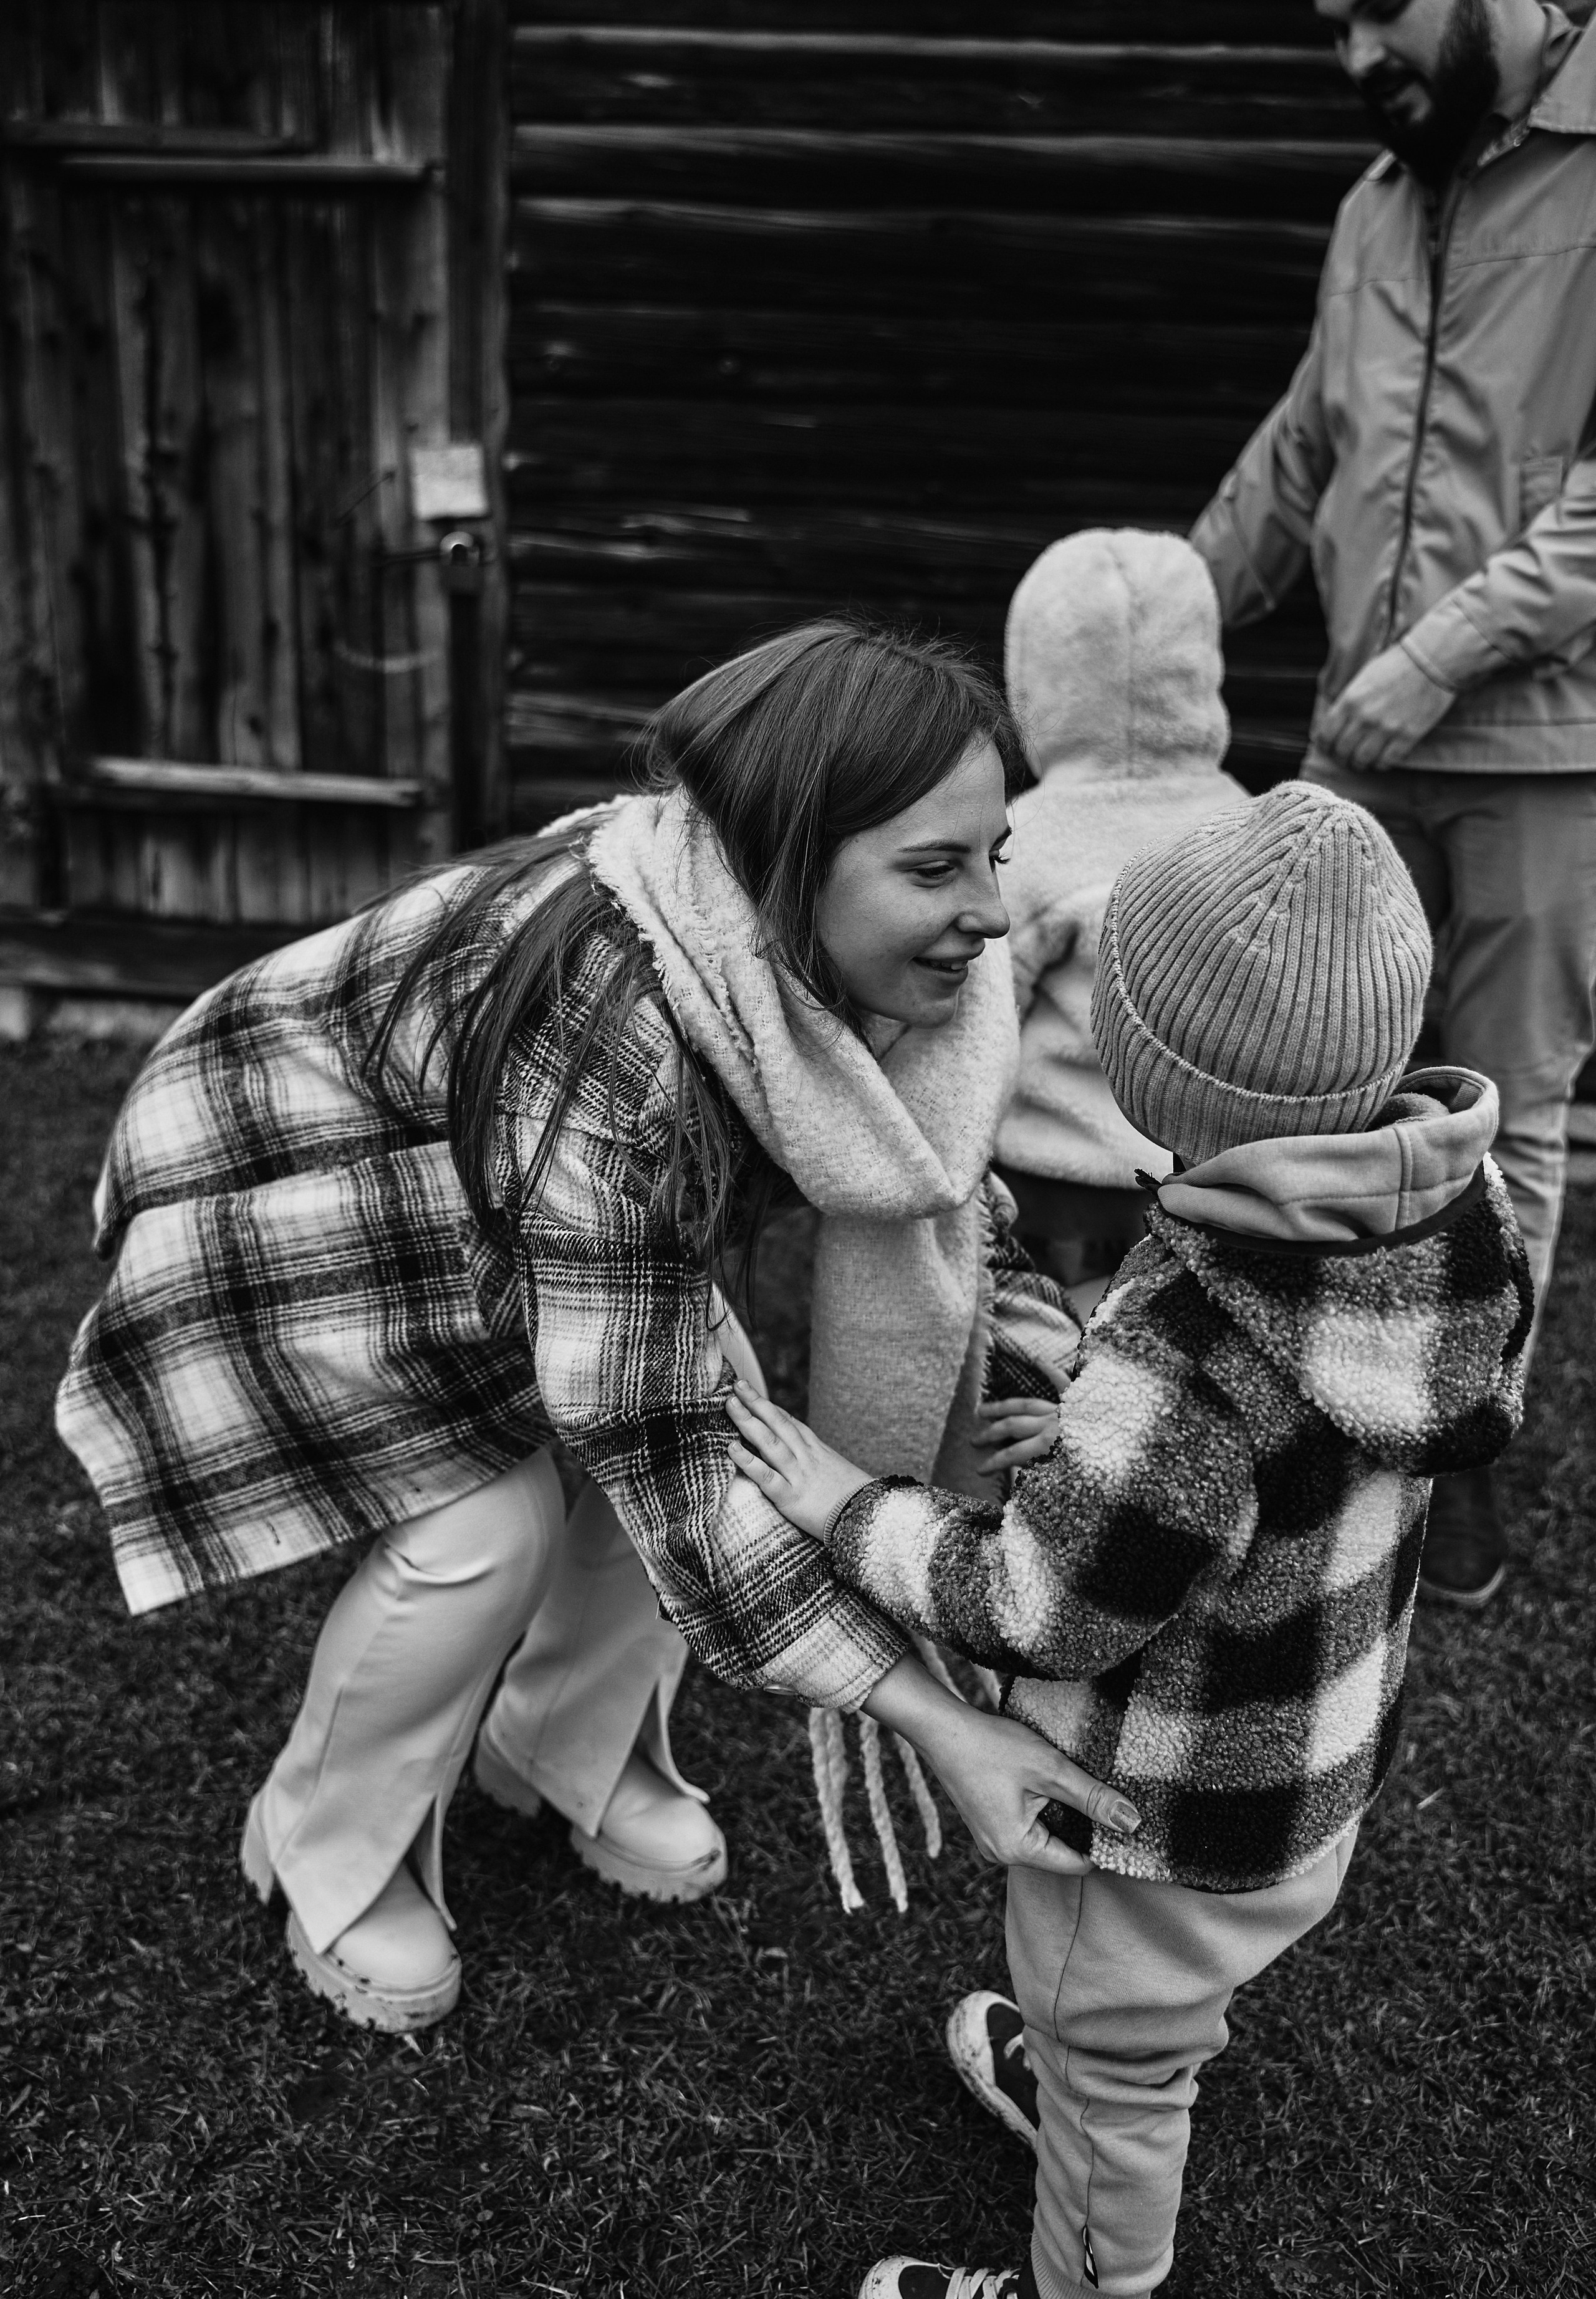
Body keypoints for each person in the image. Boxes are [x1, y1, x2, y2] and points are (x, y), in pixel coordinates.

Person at [55, 620, 1130, 2035]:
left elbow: (944, 1186)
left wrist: (1028, 1350)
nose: (990, 911)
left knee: (720, 1432)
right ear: (783, 865)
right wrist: (940, 1720)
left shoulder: (875, 961)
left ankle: (553, 1747)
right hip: (287, 1193)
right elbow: (665, 1452)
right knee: (479, 1526)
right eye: (930, 867)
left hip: (522, 1206)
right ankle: (320, 1848)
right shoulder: (614, 1036)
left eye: (990, 850)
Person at [726, 783, 1532, 2299]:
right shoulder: (1438, 1209)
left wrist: (846, 1497)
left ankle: (1086, 2238)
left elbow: (1038, 1606)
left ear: (1147, 1066)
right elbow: (1262, 1449)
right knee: (1153, 2006)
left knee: (1117, 2061)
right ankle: (1111, 2056)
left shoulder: (1187, 1353)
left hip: (1150, 1816)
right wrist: (1097, 1400)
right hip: (1308, 1757)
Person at [1189, 0, 1596, 1607]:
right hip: (1359, 749)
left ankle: (1466, 1442)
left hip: (1542, 757)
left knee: (1507, 1115)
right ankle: (1312, 1407)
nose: (1361, 58)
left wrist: (1427, 668)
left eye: (1386, 8)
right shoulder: (1372, 208)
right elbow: (1302, 454)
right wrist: (1137, 624)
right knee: (1314, 1076)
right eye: (1335, 33)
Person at [993, 529, 1247, 1315]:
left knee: (1033, 1378)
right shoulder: (1250, 826)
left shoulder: (1019, 842)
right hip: (1212, 1184)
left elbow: (978, 1029)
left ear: (1037, 678)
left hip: (1052, 1190)